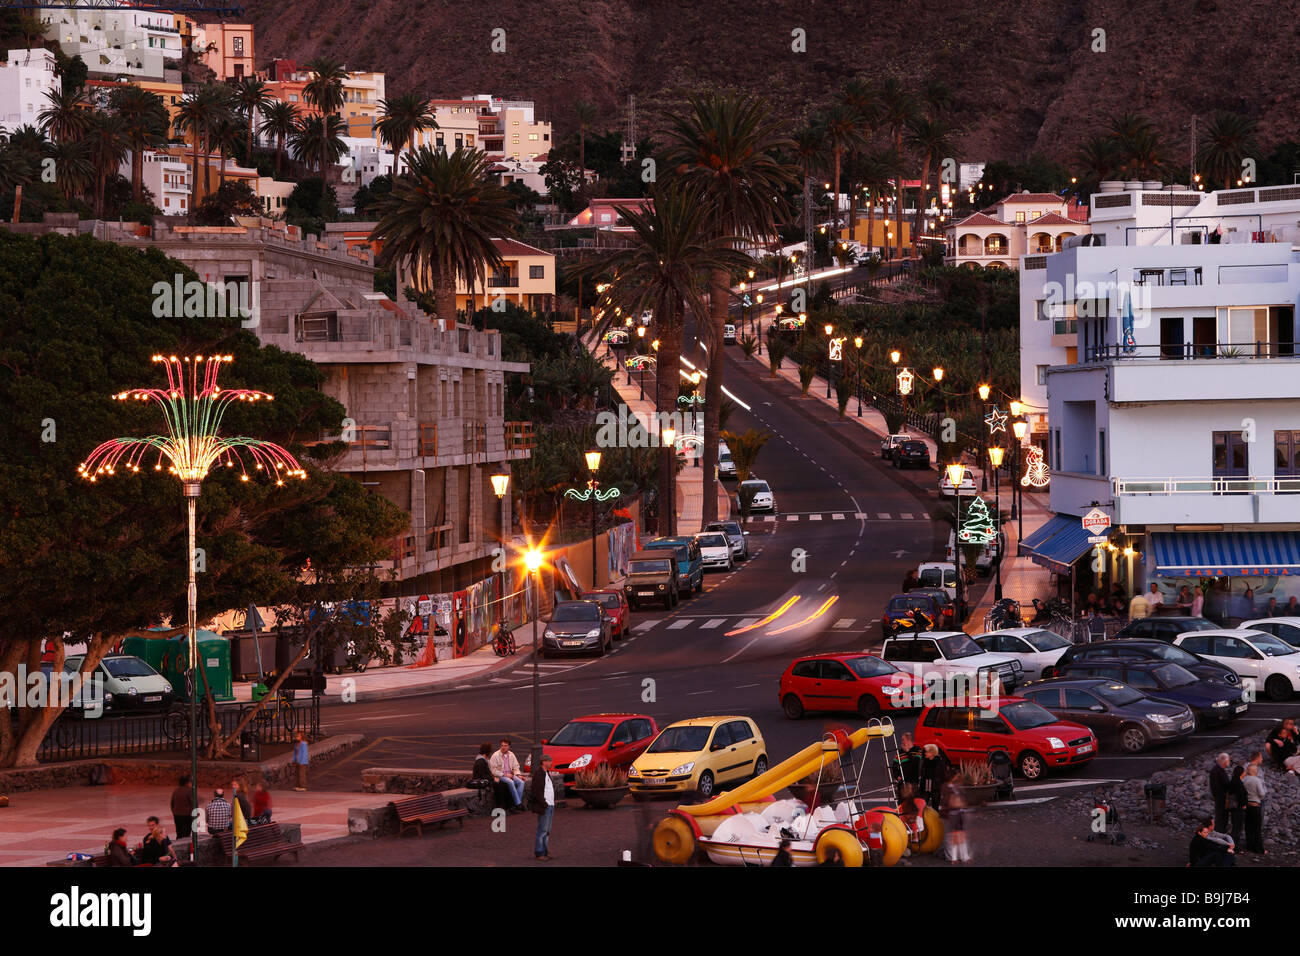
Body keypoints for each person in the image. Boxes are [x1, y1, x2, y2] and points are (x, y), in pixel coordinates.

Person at [529, 753, 556, 861]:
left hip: (550, 805)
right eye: (549, 761)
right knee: (542, 830)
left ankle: (544, 850)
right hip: (545, 805)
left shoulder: (545, 773)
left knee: (547, 830)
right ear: (544, 762)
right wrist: (544, 804)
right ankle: (539, 852)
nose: (551, 763)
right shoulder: (539, 774)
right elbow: (537, 791)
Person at [490, 739, 526, 811]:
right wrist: (505, 775)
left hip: (511, 774)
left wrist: (518, 775)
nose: (503, 747)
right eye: (502, 745)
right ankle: (518, 803)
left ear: (509, 746)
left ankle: (516, 803)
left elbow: (516, 766)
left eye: (505, 746)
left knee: (521, 782)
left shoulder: (511, 755)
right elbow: (493, 770)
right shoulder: (495, 755)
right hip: (501, 775)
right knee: (510, 782)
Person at [1243, 763, 1266, 854]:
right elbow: (1262, 794)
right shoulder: (1257, 780)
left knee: (1248, 827)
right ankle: (1259, 849)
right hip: (1255, 805)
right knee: (1257, 828)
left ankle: (1249, 846)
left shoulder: (1244, 779)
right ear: (1254, 771)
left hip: (1247, 805)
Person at [918, 744, 946, 811]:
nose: (925, 753)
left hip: (935, 788)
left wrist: (939, 786)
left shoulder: (939, 762)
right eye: (925, 752)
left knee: (935, 807)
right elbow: (922, 775)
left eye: (927, 752)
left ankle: (934, 820)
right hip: (925, 787)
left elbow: (942, 776)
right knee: (922, 806)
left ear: (932, 752)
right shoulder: (924, 762)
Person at [1208, 753, 1231, 832]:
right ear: (1225, 761)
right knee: (1221, 817)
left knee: (1222, 817)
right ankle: (1219, 833)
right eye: (1229, 760)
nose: (1230, 762)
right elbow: (1224, 784)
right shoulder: (1218, 770)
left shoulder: (1217, 769)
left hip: (1220, 797)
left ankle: (1220, 832)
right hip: (1221, 798)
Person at [1227, 765, 1247, 845]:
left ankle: (1232, 844)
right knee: (1238, 827)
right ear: (1241, 773)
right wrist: (1243, 805)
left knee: (1235, 826)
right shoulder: (1238, 782)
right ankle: (1234, 845)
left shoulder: (1233, 781)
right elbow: (1240, 795)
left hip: (1233, 807)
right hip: (1238, 808)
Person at [170, 774, 194, 840]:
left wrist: (175, 812)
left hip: (177, 815)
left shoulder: (176, 790)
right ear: (187, 782)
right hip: (186, 815)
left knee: (179, 832)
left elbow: (172, 803)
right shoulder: (189, 791)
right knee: (186, 833)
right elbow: (193, 803)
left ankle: (178, 844)